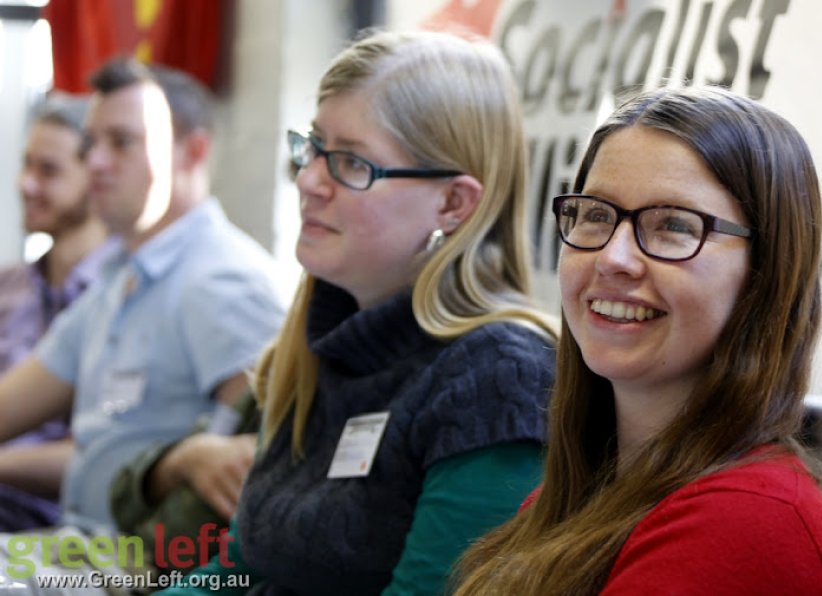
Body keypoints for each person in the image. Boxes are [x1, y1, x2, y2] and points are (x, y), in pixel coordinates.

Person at [159, 29, 558, 596]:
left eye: (349, 163)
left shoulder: (501, 379)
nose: (308, 180)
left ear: (453, 203)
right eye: (313, 148)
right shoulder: (321, 342)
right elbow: (235, 573)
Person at [453, 85, 822, 595]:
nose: (614, 257)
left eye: (673, 226)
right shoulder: (582, 494)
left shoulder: (748, 522)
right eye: (596, 214)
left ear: (764, 274)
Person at [0, 58, 285, 535]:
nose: (95, 162)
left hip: (148, 569)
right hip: (73, 551)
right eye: (92, 143)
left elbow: (265, 467)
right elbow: (11, 404)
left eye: (122, 142)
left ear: (191, 152)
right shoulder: (120, 278)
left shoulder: (223, 280)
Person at [0, 96, 117, 531]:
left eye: (48, 171)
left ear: (97, 177)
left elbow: (108, 456)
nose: (25, 184)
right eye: (26, 165)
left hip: (51, 533)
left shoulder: (125, 298)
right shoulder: (8, 286)